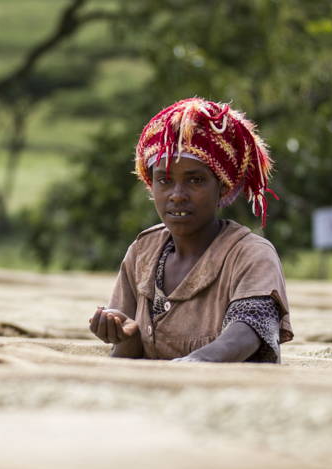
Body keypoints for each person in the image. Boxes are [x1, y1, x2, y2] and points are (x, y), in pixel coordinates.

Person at [88, 98, 293, 362]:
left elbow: (246, 333)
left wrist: (192, 364)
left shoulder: (251, 255)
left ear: (222, 187)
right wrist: (122, 333)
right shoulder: (142, 252)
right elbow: (127, 353)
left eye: (195, 180)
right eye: (164, 180)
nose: (177, 195)